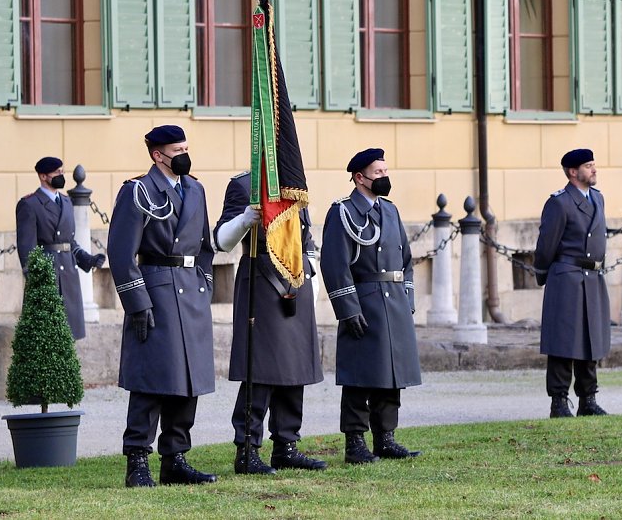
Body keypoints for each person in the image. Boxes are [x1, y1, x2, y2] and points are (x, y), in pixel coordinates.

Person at [107, 125, 217, 488]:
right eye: (176, 149)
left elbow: (204, 245)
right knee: (152, 378)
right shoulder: (137, 191)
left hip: (191, 291)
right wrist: (137, 302)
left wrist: (205, 282)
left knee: (188, 379)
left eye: (186, 147)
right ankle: (137, 459)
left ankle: (175, 458)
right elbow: (122, 254)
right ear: (157, 155)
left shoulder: (196, 188)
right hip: (156, 289)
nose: (184, 154)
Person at [214, 171, 326, 475]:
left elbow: (306, 238)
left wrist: (311, 278)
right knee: (259, 369)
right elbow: (221, 239)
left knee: (295, 366)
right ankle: (247, 449)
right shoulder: (242, 185)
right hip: (261, 278)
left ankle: (286, 445)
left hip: (297, 278)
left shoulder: (293, 183)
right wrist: (245, 220)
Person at [320, 148, 422, 464]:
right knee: (359, 377)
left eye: (385, 171)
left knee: (392, 375)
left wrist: (408, 299)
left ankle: (385, 438)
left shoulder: (390, 211)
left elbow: (406, 260)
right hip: (364, 302)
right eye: (378, 173)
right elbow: (335, 265)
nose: (384, 177)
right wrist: (348, 308)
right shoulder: (342, 212)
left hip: (394, 304)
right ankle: (355, 443)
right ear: (359, 177)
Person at [533, 148, 610, 419]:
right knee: (564, 343)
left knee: (591, 340)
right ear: (573, 172)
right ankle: (559, 402)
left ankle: (588, 399)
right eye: (589, 166)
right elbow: (546, 246)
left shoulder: (598, 199)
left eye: (593, 164)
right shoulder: (560, 203)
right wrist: (544, 273)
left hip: (592, 278)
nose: (594, 170)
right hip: (567, 277)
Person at [16, 156, 105, 340]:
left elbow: (70, 243)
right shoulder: (30, 204)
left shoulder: (66, 202)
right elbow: (27, 248)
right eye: (56, 172)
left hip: (69, 275)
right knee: (45, 337)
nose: (61, 175)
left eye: (62, 172)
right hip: (46, 274)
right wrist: (34, 278)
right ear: (42, 176)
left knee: (68, 334)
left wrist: (87, 259)